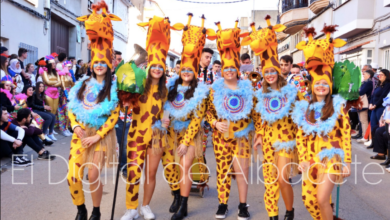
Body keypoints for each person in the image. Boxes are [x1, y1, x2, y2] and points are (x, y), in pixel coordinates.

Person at [121, 16, 182, 220]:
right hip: (137, 131)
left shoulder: (166, 89)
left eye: (160, 67)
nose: (157, 69)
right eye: (154, 66)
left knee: (151, 173)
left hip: (157, 134)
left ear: (164, 69)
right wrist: (125, 102)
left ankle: (145, 206)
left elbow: (167, 109)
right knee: (133, 172)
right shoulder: (138, 82)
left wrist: (165, 119)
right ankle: (131, 209)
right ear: (149, 66)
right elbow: (124, 80)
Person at [68, 3, 121, 219]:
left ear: (109, 64)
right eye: (96, 62)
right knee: (73, 176)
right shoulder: (81, 84)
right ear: (92, 64)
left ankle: (96, 211)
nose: (99, 65)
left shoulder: (115, 88)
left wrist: (99, 135)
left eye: (103, 63)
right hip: (80, 134)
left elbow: (114, 115)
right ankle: (81, 208)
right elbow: (72, 107)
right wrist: (76, 125)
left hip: (101, 136)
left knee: (92, 174)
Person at [293, 25, 352, 220]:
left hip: (331, 159)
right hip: (310, 159)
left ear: (330, 85)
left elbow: (345, 136)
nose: (320, 86)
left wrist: (347, 163)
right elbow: (300, 137)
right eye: (317, 83)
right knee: (308, 200)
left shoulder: (339, 108)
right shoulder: (305, 109)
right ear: (312, 86)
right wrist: (302, 158)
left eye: (324, 84)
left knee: (321, 198)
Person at [207, 21, 259, 220]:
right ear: (222, 69)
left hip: (241, 137)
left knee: (241, 172)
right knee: (223, 172)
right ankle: (222, 204)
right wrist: (214, 123)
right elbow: (208, 112)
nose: (229, 71)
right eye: (226, 68)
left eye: (232, 68)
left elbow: (256, 114)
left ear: (237, 68)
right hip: (221, 137)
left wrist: (259, 133)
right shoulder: (215, 89)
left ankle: (243, 206)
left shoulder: (247, 88)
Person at [165, 56, 210, 220]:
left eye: (190, 70)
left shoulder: (200, 91)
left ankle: (183, 206)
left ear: (195, 72)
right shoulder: (171, 87)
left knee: (185, 167)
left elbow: (198, 119)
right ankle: (177, 194)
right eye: (183, 69)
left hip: (191, 134)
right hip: (171, 132)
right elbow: (164, 107)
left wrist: (185, 142)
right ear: (178, 70)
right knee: (170, 166)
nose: (186, 72)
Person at [369, 69, 390, 153]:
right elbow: (373, 94)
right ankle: (373, 142)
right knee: (373, 125)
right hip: (374, 106)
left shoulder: (387, 85)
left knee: (380, 125)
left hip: (380, 106)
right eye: (379, 75)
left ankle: (382, 149)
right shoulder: (378, 84)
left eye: (381, 75)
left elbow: (383, 96)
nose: (379, 76)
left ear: (386, 76)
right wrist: (371, 103)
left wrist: (375, 105)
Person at [355, 69, 374, 142]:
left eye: (364, 74)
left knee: (364, 120)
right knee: (362, 120)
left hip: (364, 103)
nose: (363, 75)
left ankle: (365, 137)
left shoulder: (368, 82)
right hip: (362, 103)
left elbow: (361, 92)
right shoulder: (366, 82)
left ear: (369, 75)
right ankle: (364, 136)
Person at [56, 62, 74, 137]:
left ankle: (67, 128)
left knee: (70, 111)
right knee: (64, 112)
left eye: (70, 67)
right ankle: (63, 129)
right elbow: (63, 86)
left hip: (70, 93)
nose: (70, 68)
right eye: (68, 67)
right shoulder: (62, 75)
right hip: (64, 95)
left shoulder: (69, 75)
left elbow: (72, 84)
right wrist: (67, 95)